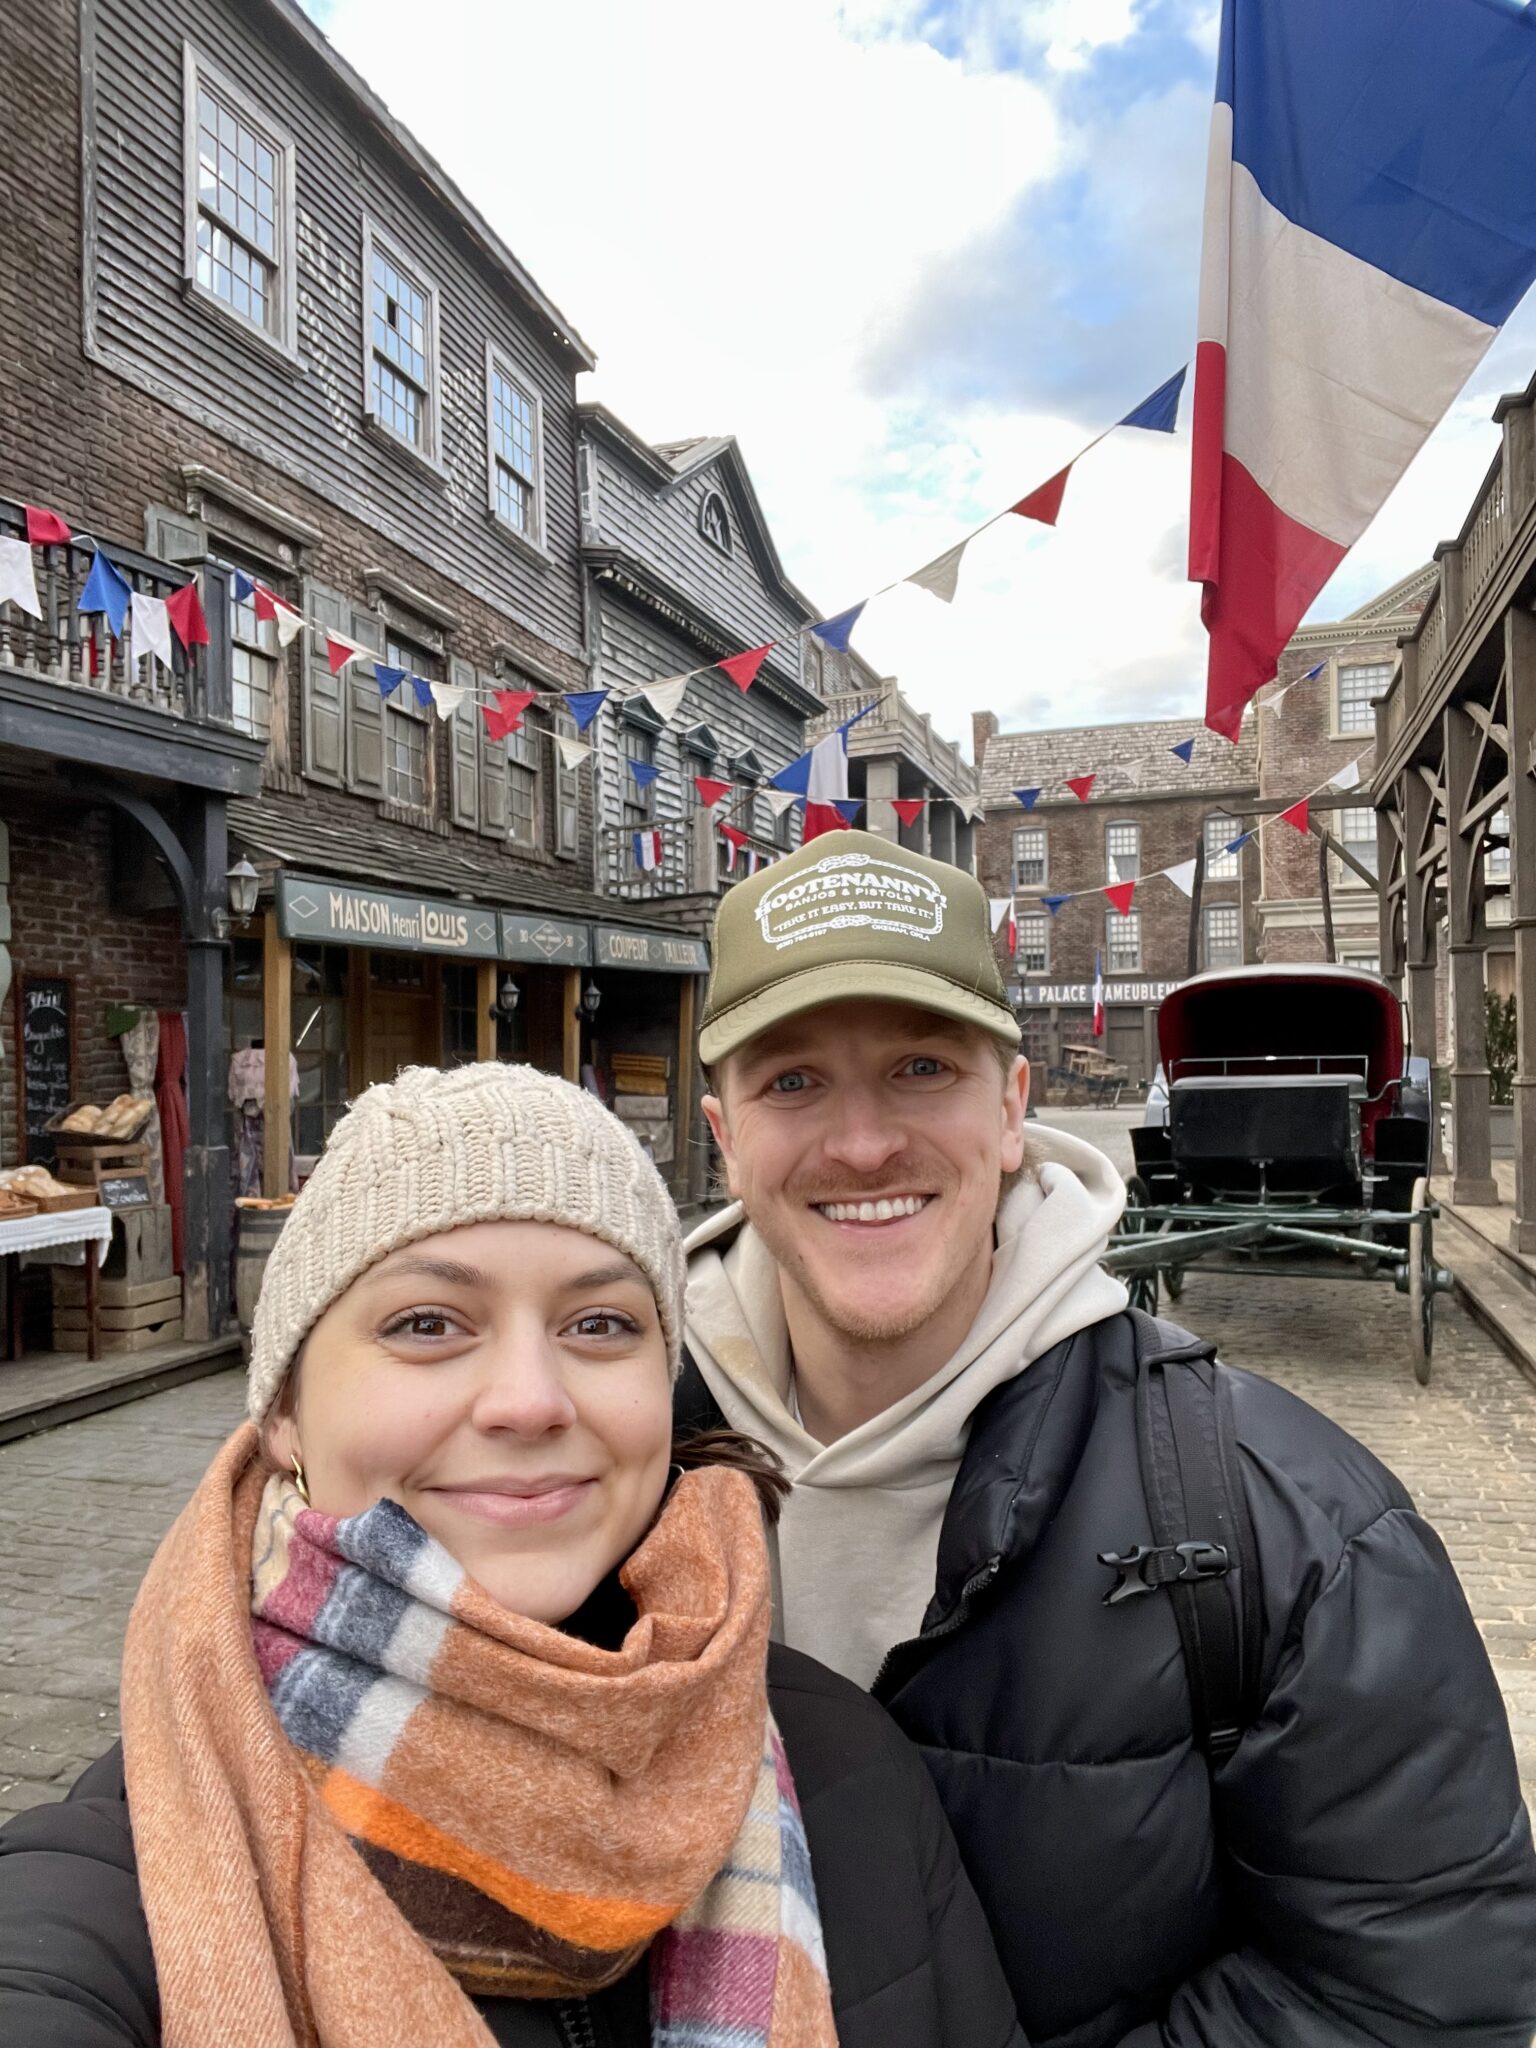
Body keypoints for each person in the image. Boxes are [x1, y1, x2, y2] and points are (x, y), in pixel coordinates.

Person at [682, 829, 1536, 2048]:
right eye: (793, 1081)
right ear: (726, 1131)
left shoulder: (1296, 1528)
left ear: (1014, 1104)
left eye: (923, 1066)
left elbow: (1412, 2000)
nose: (862, 1142)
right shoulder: (590, 1467)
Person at [0, 1061, 1024, 2048]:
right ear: (284, 1416)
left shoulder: (845, 1759)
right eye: (428, 1321)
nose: (531, 1399)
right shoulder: (126, 1856)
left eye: (598, 1321)